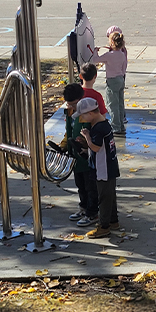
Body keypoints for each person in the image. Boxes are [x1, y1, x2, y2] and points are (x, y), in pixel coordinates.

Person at [76, 97, 121, 238]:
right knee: (110, 196)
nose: (82, 119)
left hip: (104, 169)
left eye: (83, 115)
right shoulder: (104, 124)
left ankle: (104, 226)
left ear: (90, 113)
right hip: (109, 166)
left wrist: (87, 137)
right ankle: (113, 220)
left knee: (103, 198)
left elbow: (96, 147)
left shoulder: (98, 128)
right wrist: (86, 150)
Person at [58, 84, 99, 227]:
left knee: (90, 186)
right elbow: (68, 131)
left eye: (74, 104)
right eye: (69, 104)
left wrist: (86, 144)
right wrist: (63, 145)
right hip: (75, 156)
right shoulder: (70, 113)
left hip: (87, 157)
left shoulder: (87, 115)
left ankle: (92, 212)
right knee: (80, 184)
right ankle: (83, 207)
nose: (72, 107)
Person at [93, 30, 127, 135]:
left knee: (112, 104)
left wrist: (95, 51)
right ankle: (121, 124)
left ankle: (115, 126)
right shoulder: (122, 54)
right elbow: (124, 67)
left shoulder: (109, 55)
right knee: (120, 103)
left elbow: (95, 59)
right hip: (121, 78)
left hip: (112, 80)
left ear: (111, 43)